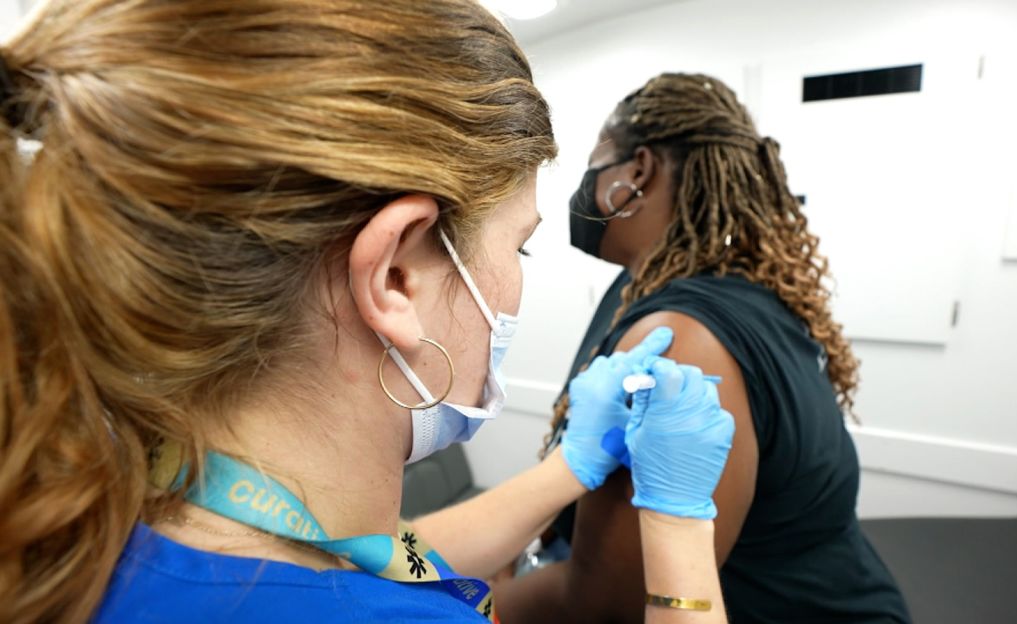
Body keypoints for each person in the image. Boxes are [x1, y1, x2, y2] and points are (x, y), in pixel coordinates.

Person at [0, 3, 736, 623]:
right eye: (521, 248)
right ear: (394, 277)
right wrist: (678, 524)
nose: (517, 282)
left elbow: (372, 553)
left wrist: (573, 465)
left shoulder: (96, 519)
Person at [493, 73, 912, 623]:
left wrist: (447, 597)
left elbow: (602, 609)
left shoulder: (682, 339)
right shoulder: (678, 287)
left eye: (597, 162)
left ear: (637, 171)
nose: (581, 187)